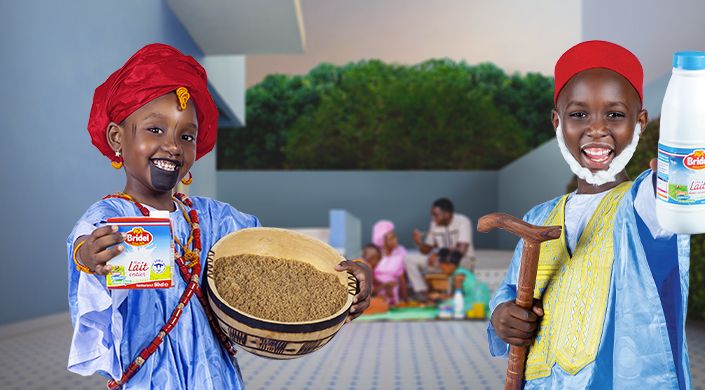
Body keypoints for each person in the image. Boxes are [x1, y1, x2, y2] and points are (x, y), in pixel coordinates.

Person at [66, 43, 372, 389]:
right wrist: (89, 257)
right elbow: (83, 245)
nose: (173, 146)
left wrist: (345, 275)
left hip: (215, 376)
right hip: (150, 376)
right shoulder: (112, 215)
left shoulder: (212, 218)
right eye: (155, 130)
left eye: (187, 136)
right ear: (117, 137)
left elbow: (274, 256)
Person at [487, 40, 705, 388]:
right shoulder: (539, 217)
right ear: (557, 121)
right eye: (579, 114)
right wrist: (501, 315)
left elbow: (665, 192)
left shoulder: (642, 206)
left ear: (640, 122)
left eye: (615, 114)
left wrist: (686, 173)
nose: (597, 128)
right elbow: (510, 288)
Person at [407, 198, 474, 298]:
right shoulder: (434, 224)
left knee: (463, 261)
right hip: (441, 260)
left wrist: (437, 255)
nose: (433, 218)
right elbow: (426, 250)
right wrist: (419, 243)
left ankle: (456, 295)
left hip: (461, 260)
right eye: (432, 215)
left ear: (447, 214)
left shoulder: (463, 221)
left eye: (436, 215)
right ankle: (424, 294)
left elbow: (461, 250)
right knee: (409, 259)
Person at [432, 249, 491, 316]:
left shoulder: (458, 276)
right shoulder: (461, 271)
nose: (442, 271)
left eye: (443, 268)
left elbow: (458, 297)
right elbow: (461, 296)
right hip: (483, 297)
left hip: (478, 299)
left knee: (447, 304)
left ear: (451, 265)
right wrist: (442, 296)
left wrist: (440, 296)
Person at [371, 220, 407, 305]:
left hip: (393, 288)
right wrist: (384, 286)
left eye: (395, 237)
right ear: (382, 240)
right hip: (377, 288)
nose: (395, 240)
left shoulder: (400, 254)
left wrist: (406, 300)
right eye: (391, 238)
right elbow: (370, 275)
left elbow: (402, 279)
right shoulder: (375, 255)